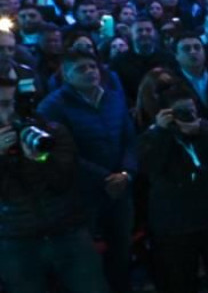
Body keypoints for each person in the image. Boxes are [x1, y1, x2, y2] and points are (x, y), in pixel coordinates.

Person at [36, 51, 137, 293]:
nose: (90, 71)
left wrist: (126, 173)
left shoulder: (113, 98)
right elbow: (63, 154)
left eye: (93, 66)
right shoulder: (52, 107)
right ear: (67, 75)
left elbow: (130, 139)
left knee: (121, 251)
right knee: (86, 262)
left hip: (120, 188)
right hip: (83, 194)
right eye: (81, 69)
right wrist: (104, 178)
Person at [0, 76, 110, 293]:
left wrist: (40, 158)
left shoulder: (52, 132)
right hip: (17, 240)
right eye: (2, 105)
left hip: (67, 232)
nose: (9, 112)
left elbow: (64, 181)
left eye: (13, 103)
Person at [139, 79, 208, 293]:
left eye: (190, 110)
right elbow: (149, 166)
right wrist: (163, 132)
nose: (186, 115)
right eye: (179, 111)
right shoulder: (153, 136)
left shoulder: (206, 128)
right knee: (182, 279)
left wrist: (201, 131)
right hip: (176, 221)